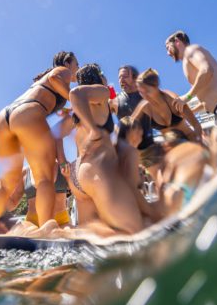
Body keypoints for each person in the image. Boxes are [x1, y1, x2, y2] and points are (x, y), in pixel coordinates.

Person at [0, 51, 79, 235]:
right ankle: (46, 233)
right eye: (76, 64)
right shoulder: (63, 70)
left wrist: (67, 107)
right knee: (44, 178)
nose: (77, 69)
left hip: (6, 115)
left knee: (6, 185)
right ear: (68, 63)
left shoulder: (40, 82)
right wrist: (77, 102)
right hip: (27, 112)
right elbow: (55, 77)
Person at [59, 63, 143, 235]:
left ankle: (54, 233)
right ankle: (54, 232)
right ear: (96, 76)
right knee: (132, 231)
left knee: (89, 238)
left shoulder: (76, 115)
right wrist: (94, 128)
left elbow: (55, 135)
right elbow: (74, 93)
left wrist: (63, 162)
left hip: (78, 176)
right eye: (102, 73)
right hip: (98, 171)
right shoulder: (101, 91)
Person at [165, 30, 217, 129]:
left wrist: (186, 97)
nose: (168, 53)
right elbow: (204, 99)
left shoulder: (190, 50)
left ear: (177, 41)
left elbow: (206, 70)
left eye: (168, 47)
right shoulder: (188, 61)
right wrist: (189, 112)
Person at [111, 65, 163, 178]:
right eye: (119, 77)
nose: (121, 80)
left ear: (135, 78)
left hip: (147, 148)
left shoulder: (146, 95)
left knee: (161, 180)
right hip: (127, 152)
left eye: (124, 76)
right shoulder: (115, 101)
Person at [132, 68, 203, 143]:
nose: (144, 96)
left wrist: (199, 141)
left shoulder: (172, 100)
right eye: (140, 92)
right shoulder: (144, 106)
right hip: (172, 148)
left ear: (156, 86)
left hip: (191, 140)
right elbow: (128, 125)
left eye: (147, 91)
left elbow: (196, 125)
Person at [116, 117, 163, 223]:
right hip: (126, 210)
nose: (141, 136)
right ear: (131, 131)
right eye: (139, 132)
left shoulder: (118, 148)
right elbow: (133, 190)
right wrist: (152, 213)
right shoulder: (130, 152)